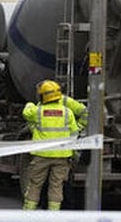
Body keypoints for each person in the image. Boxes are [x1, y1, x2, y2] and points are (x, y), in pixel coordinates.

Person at [21, 80, 79, 211]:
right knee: (56, 186)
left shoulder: (38, 111)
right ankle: (53, 214)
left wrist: (30, 104)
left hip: (42, 155)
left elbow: (26, 113)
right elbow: (74, 134)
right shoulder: (67, 112)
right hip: (62, 156)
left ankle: (28, 213)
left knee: (35, 185)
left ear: (42, 96)